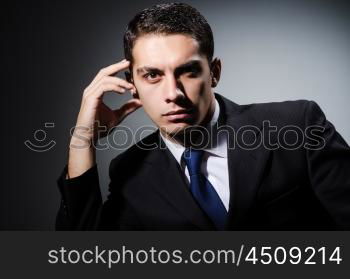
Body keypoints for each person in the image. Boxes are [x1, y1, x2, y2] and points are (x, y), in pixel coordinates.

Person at [56, 2, 350, 230]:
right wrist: (82, 142)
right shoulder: (130, 173)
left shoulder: (297, 125)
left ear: (215, 73)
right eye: (152, 75)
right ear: (132, 84)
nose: (173, 93)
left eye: (189, 71)